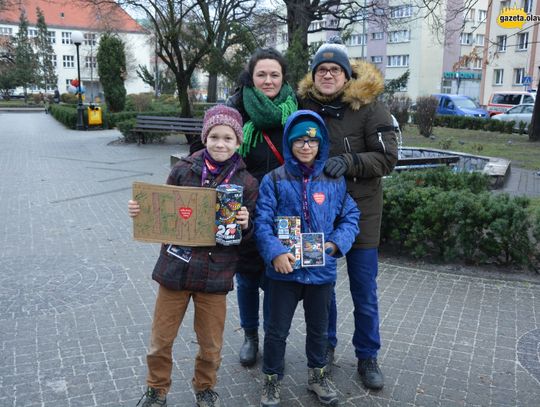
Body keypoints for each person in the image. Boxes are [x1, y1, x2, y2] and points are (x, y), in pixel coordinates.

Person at [130, 105, 259, 407]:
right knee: (161, 340)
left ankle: (205, 388)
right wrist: (141, 211)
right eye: (214, 136)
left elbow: (250, 235)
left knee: (211, 344)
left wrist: (245, 223)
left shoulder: (247, 183)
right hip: (175, 269)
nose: (220, 143)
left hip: (216, 273)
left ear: (238, 142)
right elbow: (160, 212)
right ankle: (156, 389)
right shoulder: (183, 170)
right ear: (205, 137)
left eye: (228, 138)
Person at [297, 39, 398, 390]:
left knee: (363, 291)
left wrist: (352, 161)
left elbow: (387, 158)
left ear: (346, 74)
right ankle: (325, 346)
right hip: (318, 214)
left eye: (335, 69)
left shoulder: (371, 107)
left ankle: (367, 355)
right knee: (322, 286)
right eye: (321, 69)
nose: (328, 74)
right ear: (314, 75)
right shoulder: (303, 104)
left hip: (362, 212)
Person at [191, 48, 298, 367]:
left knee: (278, 278)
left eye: (274, 74)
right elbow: (206, 149)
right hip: (244, 206)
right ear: (250, 77)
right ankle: (251, 336)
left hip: (284, 206)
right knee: (249, 278)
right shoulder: (234, 108)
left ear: (283, 77)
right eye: (261, 74)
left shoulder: (295, 108)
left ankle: (273, 336)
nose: (268, 80)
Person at [254, 110, 360, 406]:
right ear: (289, 143)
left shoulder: (333, 180)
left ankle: (318, 376)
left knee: (320, 329)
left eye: (311, 141)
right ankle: (272, 379)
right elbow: (261, 222)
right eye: (298, 140)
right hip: (283, 272)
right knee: (276, 330)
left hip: (320, 272)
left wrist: (336, 245)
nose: (305, 147)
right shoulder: (273, 180)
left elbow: (350, 215)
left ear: (321, 144)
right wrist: (275, 252)